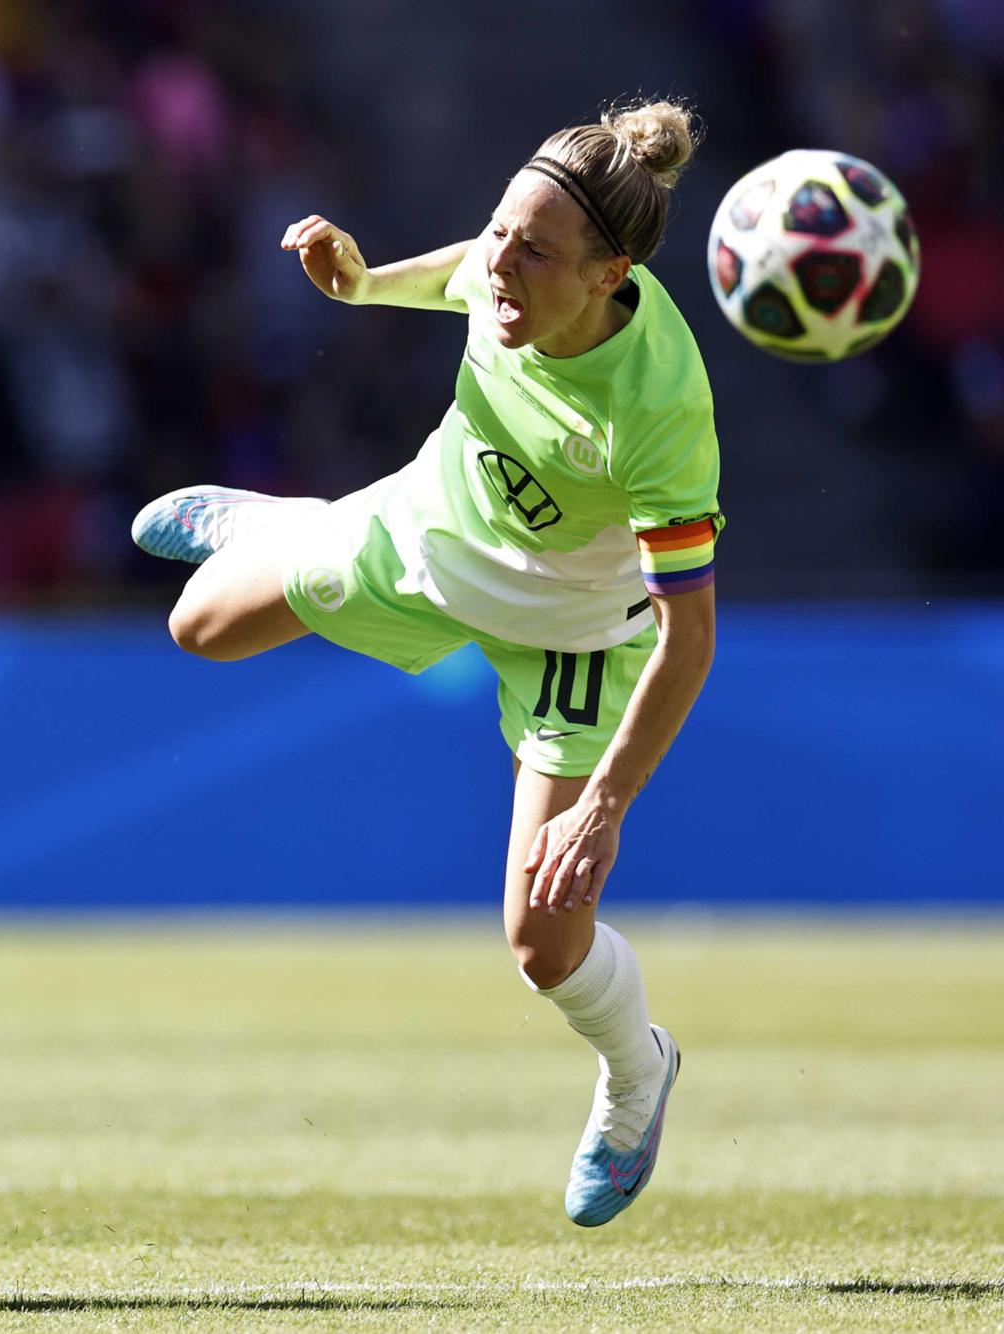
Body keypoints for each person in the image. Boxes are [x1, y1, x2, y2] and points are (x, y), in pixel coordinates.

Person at [133, 101, 714, 1227]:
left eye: (534, 252)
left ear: (610, 276)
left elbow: (689, 635)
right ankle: (295, 523)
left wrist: (606, 804)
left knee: (542, 945)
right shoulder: (509, 274)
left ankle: (639, 1071)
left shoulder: (658, 412)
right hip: (432, 535)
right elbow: (462, 270)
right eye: (501, 229)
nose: (501, 264)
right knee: (196, 628)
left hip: (573, 641)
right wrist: (359, 285)